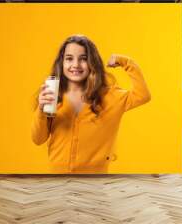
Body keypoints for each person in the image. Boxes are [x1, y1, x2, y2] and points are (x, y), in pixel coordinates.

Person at [31, 35, 151, 174]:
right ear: (62, 63)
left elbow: (143, 95)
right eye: (69, 59)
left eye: (83, 59)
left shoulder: (110, 97)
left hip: (94, 181)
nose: (75, 65)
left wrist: (126, 62)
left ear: (92, 63)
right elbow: (38, 139)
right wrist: (41, 110)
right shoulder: (53, 96)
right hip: (57, 179)